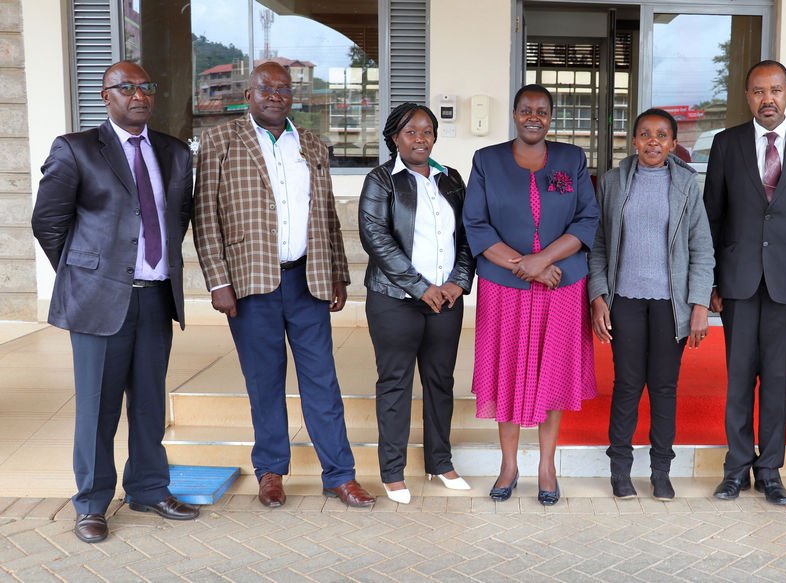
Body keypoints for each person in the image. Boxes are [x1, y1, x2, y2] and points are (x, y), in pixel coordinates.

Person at [31, 61, 199, 543]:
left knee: (148, 403)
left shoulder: (174, 151)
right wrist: (89, 272)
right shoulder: (77, 149)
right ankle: (91, 503)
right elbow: (49, 222)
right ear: (106, 96)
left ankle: (148, 488)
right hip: (99, 302)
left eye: (146, 86)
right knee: (98, 408)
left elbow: (177, 216)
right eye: (126, 88)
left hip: (155, 297)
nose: (139, 95)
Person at [193, 61, 374, 509]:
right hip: (250, 283)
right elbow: (204, 217)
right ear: (249, 94)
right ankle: (271, 471)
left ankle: (340, 474)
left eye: (283, 89)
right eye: (265, 88)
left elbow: (326, 213)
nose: (275, 95)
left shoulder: (310, 144)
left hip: (306, 279)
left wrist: (337, 272)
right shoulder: (220, 140)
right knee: (264, 382)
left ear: (293, 96)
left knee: (322, 382)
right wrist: (218, 281)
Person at [463, 84, 599, 506]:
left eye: (541, 111)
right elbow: (476, 224)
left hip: (561, 285)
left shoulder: (572, 159)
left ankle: (546, 465)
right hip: (505, 287)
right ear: (515, 115)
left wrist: (543, 261)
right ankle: (508, 464)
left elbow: (586, 218)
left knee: (552, 373)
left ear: (551, 116)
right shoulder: (486, 161)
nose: (533, 117)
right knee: (507, 374)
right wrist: (523, 265)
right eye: (526, 110)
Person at [703, 60, 786, 505]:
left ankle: (771, 470)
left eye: (775, 90)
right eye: (758, 91)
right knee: (738, 377)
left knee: (778, 377)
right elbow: (712, 217)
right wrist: (710, 282)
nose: (768, 99)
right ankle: (736, 467)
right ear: (747, 96)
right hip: (737, 279)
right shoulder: (726, 143)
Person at [589, 109, 715, 500]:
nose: (653, 142)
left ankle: (661, 469)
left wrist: (698, 305)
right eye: (645, 134)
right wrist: (598, 296)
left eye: (662, 135)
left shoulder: (686, 184)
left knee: (664, 387)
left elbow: (702, 249)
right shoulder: (612, 181)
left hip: (670, 305)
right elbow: (598, 245)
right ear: (634, 140)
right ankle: (620, 469)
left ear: (674, 143)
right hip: (625, 300)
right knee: (627, 385)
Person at [358, 103, 475, 504]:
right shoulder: (380, 180)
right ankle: (392, 471)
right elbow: (376, 238)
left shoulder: (450, 179)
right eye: (411, 132)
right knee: (395, 383)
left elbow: (467, 237)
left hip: (446, 300)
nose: (420, 139)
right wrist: (420, 286)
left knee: (441, 382)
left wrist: (459, 282)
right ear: (394, 137)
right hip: (395, 300)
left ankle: (440, 462)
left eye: (427, 131)